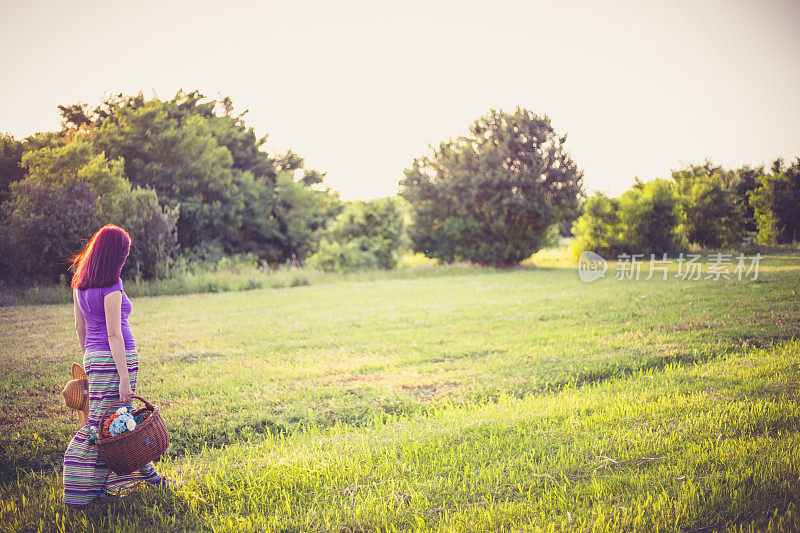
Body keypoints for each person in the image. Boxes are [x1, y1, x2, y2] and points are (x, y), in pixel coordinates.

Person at [62, 224, 169, 507]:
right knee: (105, 424)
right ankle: (78, 487)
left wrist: (89, 357)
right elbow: (113, 333)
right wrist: (123, 376)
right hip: (115, 360)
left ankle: (144, 477)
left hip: (95, 358)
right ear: (116, 254)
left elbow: (79, 326)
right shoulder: (112, 285)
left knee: (119, 421)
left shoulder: (79, 282)